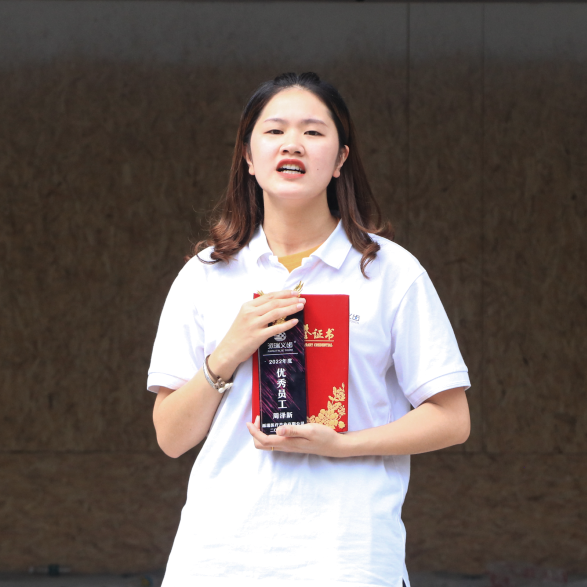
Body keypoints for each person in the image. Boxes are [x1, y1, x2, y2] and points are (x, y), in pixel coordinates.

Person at [147, 72, 471, 587]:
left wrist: (342, 445)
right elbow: (170, 437)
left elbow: (452, 419)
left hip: (348, 558)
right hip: (219, 560)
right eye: (274, 131)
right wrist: (226, 354)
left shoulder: (390, 271)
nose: (292, 143)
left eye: (313, 131)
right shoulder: (206, 275)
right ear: (248, 157)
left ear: (341, 158)